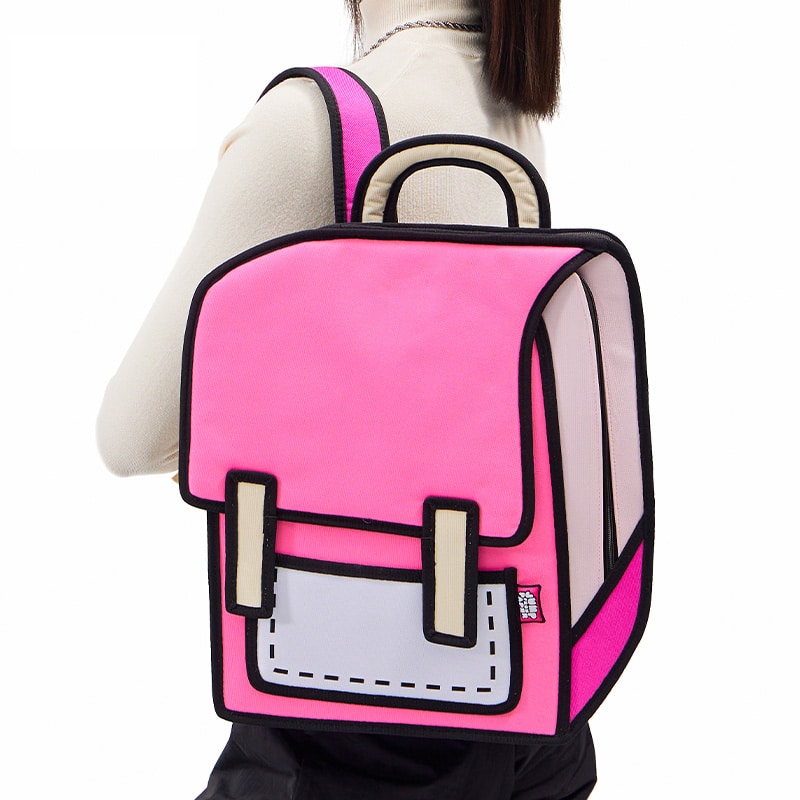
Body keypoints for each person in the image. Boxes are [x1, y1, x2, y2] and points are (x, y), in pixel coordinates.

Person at [97, 1, 597, 797]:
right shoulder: (507, 84)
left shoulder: (311, 129)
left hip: (360, 712)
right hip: (533, 695)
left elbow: (132, 436)